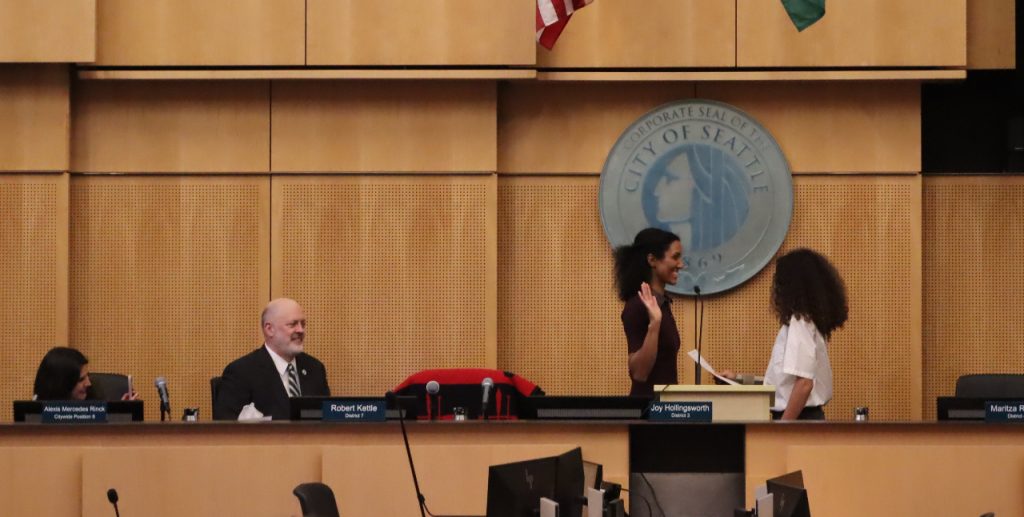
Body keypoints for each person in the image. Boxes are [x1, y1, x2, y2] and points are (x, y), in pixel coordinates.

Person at [722, 249, 848, 420]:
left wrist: (783, 428)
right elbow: (785, 383)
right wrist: (739, 379)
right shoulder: (810, 322)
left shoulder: (800, 323)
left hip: (798, 420)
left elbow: (804, 384)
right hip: (804, 418)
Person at [214, 298, 330, 420]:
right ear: (269, 329)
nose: (301, 330)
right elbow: (225, 428)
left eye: (303, 324)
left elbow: (327, 419)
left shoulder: (315, 368)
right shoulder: (241, 372)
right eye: (293, 324)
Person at [614, 227, 684, 397]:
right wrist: (654, 325)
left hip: (667, 410)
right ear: (652, 260)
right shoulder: (638, 306)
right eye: (675, 257)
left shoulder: (662, 304)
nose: (681, 264)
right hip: (647, 412)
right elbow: (639, 373)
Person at [33, 347, 137, 401]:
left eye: (87, 376)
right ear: (62, 383)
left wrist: (122, 412)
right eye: (81, 379)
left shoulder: (96, 409)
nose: (88, 383)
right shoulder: (36, 415)